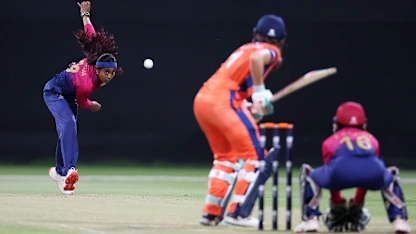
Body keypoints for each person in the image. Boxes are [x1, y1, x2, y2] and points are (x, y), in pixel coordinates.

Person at [193, 14, 286, 227]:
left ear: (256, 33)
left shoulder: (244, 49)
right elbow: (257, 61)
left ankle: (212, 213)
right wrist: (261, 92)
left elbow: (242, 90)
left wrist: (256, 106)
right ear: (281, 40)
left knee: (225, 159)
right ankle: (239, 213)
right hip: (224, 103)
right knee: (254, 158)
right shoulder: (272, 52)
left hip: (203, 100)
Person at [43, 1, 122, 195]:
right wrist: (92, 105)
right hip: (54, 92)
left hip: (68, 95)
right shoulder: (86, 83)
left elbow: (90, 35)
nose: (109, 76)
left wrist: (85, 15)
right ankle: (70, 169)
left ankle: (59, 173)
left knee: (66, 130)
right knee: (69, 124)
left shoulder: (97, 59)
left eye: (112, 73)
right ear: (97, 69)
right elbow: (81, 100)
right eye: (106, 73)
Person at [294, 101, 411, 234]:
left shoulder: (330, 141)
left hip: (340, 173)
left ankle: (311, 219)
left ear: (336, 123)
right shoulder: (372, 139)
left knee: (308, 173)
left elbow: (333, 177)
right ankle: (399, 220)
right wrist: (357, 203)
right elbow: (365, 173)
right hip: (373, 173)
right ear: (364, 123)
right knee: (392, 174)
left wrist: (337, 204)